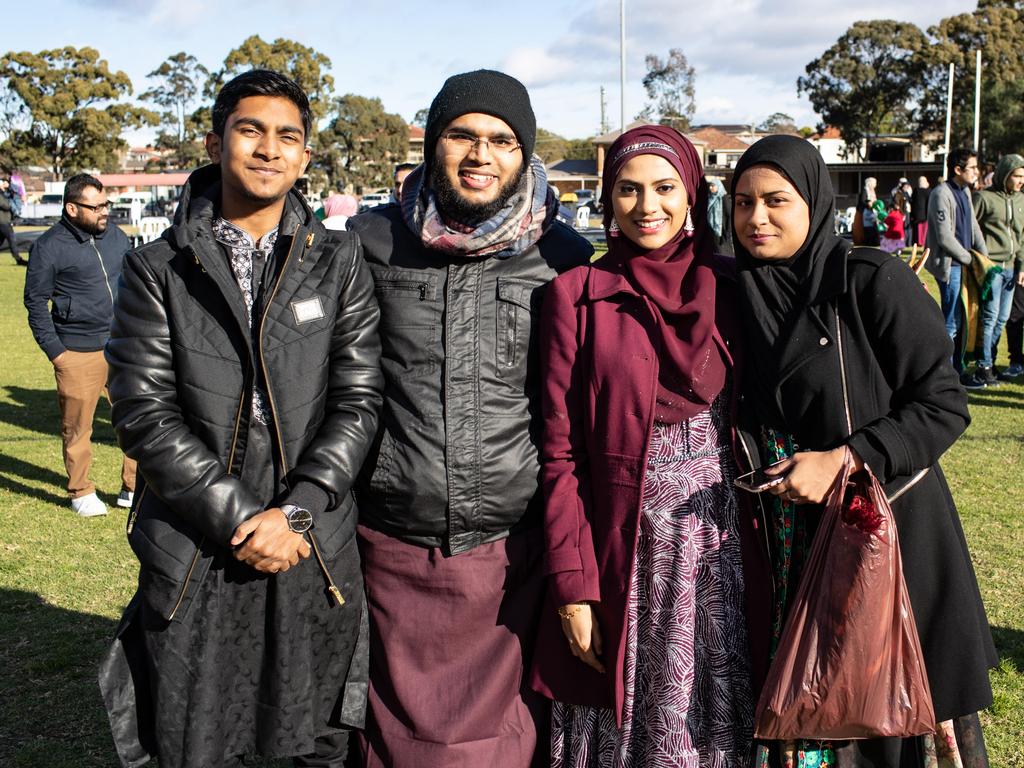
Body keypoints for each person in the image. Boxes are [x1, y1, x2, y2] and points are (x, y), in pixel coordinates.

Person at [97, 69, 383, 768]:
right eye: (250, 130)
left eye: (288, 136)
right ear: (215, 140)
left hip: (309, 540)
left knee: (308, 731)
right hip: (198, 542)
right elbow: (144, 412)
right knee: (198, 732)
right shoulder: (157, 268)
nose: (268, 149)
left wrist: (299, 512)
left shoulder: (339, 262)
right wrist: (235, 516)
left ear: (306, 157)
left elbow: (360, 400)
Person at [347, 69, 592, 768]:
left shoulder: (564, 258)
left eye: (502, 140)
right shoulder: (369, 242)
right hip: (392, 550)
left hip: (510, 561)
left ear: (525, 155)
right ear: (431, 145)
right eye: (462, 135)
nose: (481, 154)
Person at [731, 135, 996, 767]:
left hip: (889, 534)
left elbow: (942, 403)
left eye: (776, 201)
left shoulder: (867, 279)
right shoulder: (734, 294)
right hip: (792, 541)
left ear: (815, 202)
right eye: (741, 202)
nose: (756, 218)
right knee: (822, 711)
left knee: (897, 711)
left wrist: (846, 460)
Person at [530, 125, 763, 766]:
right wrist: (574, 589)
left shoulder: (735, 286)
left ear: (691, 192)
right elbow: (559, 451)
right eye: (628, 190)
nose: (647, 206)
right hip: (622, 555)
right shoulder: (576, 295)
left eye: (664, 187)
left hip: (723, 554)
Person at [23, 173, 137, 516]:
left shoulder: (115, 236)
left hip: (123, 345)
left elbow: (134, 279)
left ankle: (133, 487)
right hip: (76, 352)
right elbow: (34, 303)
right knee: (77, 429)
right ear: (72, 208)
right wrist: (58, 353)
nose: (105, 212)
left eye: (107, 204)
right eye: (96, 206)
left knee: (137, 418)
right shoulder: (48, 247)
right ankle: (80, 491)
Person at [925, 148, 986, 372]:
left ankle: (957, 370)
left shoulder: (965, 192)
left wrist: (984, 257)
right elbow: (944, 237)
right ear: (957, 169)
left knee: (963, 322)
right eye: (972, 168)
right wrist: (969, 259)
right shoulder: (941, 193)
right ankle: (945, 374)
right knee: (950, 323)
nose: (976, 172)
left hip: (966, 265)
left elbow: (973, 227)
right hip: (952, 267)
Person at [967, 154, 1024, 387]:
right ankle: (984, 365)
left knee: (1001, 319)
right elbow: (970, 229)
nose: (1021, 181)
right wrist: (978, 261)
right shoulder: (984, 197)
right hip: (992, 269)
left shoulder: (1021, 200)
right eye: (1018, 176)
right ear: (1005, 175)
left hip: (1012, 268)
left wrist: (1021, 266)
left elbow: (1022, 237)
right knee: (989, 318)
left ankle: (988, 362)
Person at [0, 175, 27, 265]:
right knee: (12, 239)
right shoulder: (1, 195)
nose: (7, 184)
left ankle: (18, 259)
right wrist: (11, 203)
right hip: (3, 222)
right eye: (4, 182)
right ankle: (18, 259)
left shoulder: (6, 193)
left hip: (5, 221)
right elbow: (6, 205)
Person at [856, 176, 880, 246]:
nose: (875, 185)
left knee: (874, 226)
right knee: (868, 227)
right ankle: (868, 242)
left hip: (873, 211)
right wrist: (868, 204)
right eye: (874, 183)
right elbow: (862, 201)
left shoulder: (872, 191)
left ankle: (874, 242)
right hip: (866, 211)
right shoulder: (865, 190)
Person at [911, 175, 931, 246]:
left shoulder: (916, 191)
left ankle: (919, 242)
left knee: (918, 230)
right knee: (924, 230)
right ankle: (922, 242)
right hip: (925, 214)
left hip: (917, 214)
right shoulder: (929, 191)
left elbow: (912, 202)